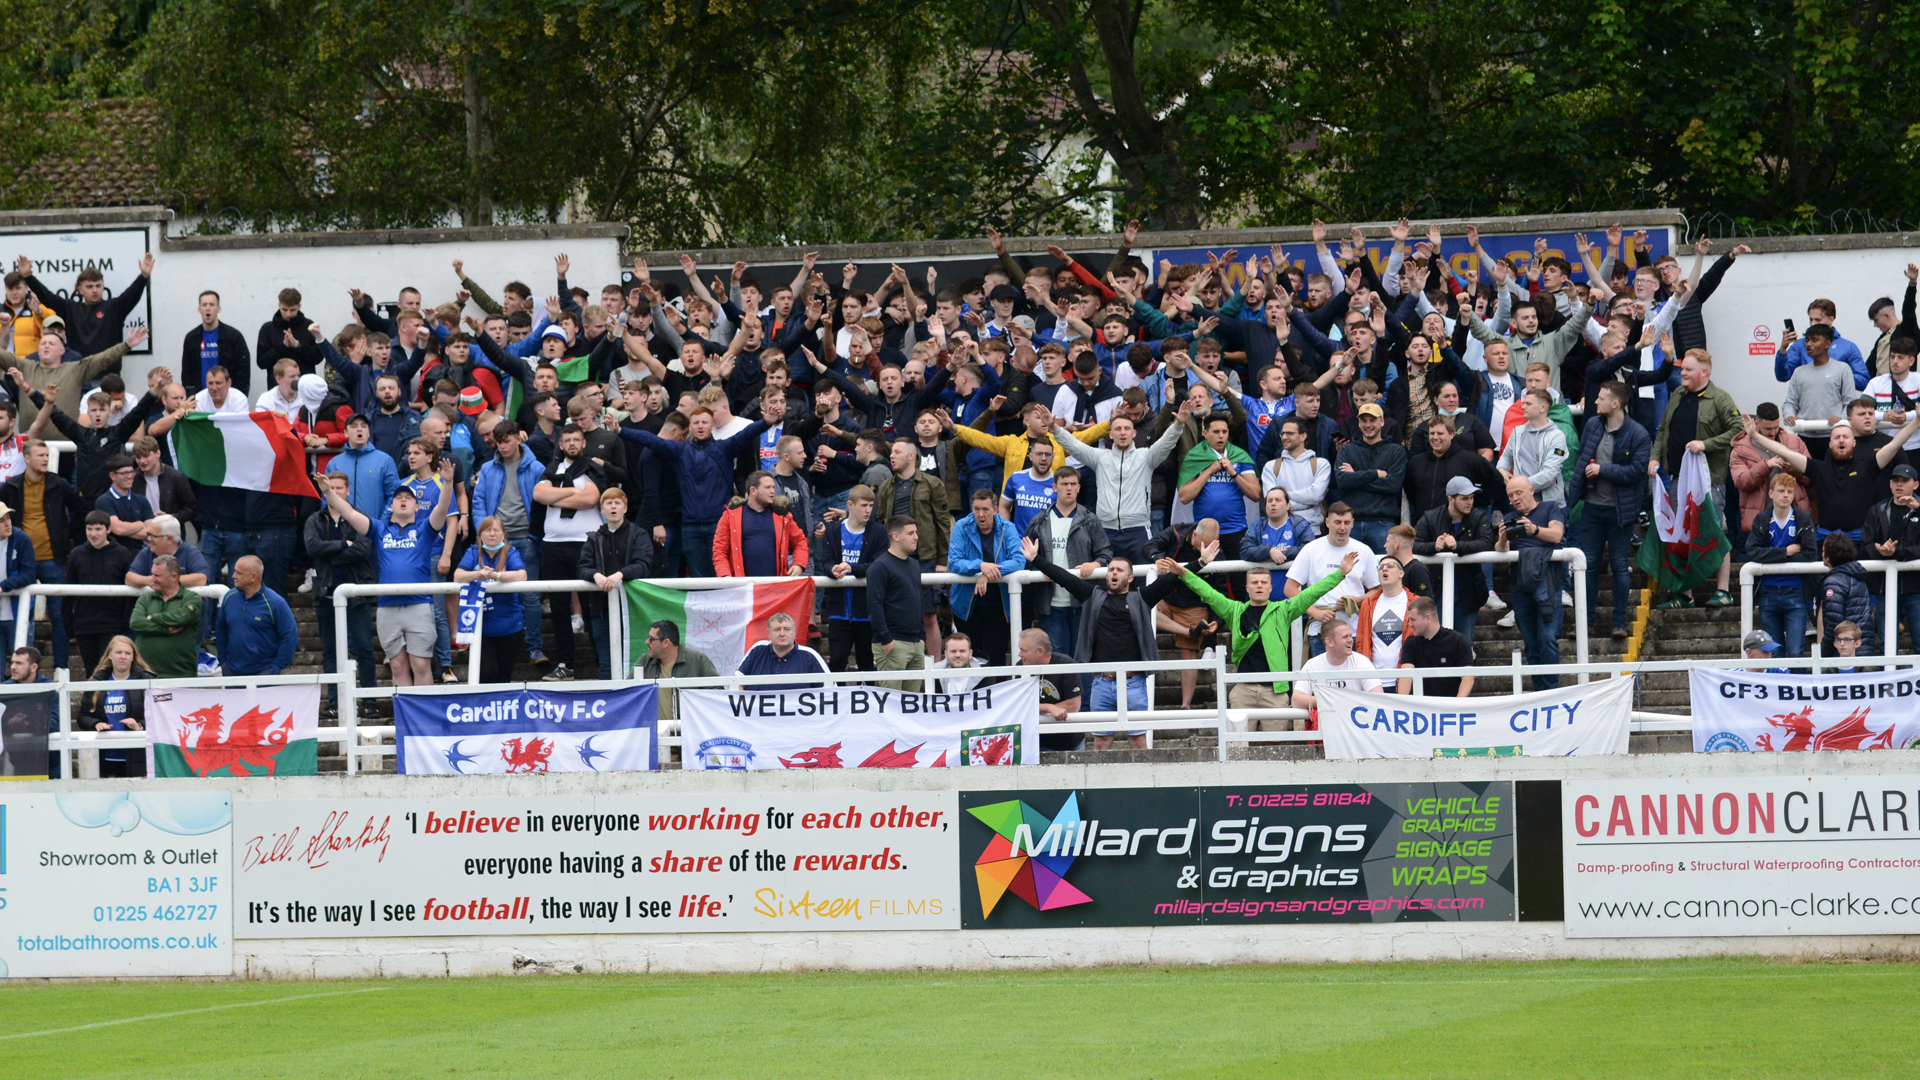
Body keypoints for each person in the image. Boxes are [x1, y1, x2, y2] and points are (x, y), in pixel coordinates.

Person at [1022, 538, 1189, 750]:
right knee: (1100, 743)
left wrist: (1200, 561)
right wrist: (1036, 559)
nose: (1114, 573)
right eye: (1110, 569)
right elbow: (1063, 577)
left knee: (1138, 742)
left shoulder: (1142, 597)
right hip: (1101, 683)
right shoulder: (1092, 596)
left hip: (1134, 683)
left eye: (1119, 570)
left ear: (1129, 578)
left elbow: (1172, 580)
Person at [1174, 547, 1360, 727]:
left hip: (1275, 691)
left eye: (1263, 582)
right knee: (1241, 749)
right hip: (1243, 689)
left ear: (1271, 588)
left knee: (1275, 747)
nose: (1259, 586)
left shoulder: (1283, 610)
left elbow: (1312, 593)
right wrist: (1184, 573)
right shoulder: (1234, 611)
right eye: (1255, 583)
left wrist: (1340, 574)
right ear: (1247, 588)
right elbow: (1208, 593)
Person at [313, 462, 455, 687]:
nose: (403, 499)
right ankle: (404, 719)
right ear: (391, 506)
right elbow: (348, 512)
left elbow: (442, 510)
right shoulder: (380, 529)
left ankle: (422, 720)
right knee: (398, 666)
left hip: (418, 605)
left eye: (408, 498)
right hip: (388, 607)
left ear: (417, 507)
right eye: (398, 497)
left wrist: (447, 482)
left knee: (420, 665)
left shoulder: (425, 530)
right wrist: (328, 491)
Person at [618, 404, 770, 577]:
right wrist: (621, 431)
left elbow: (747, 433)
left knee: (722, 577)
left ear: (713, 425)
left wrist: (765, 423)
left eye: (705, 422)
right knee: (698, 580)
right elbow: (650, 439)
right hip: (690, 527)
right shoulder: (681, 450)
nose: (700, 426)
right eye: (696, 422)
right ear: (689, 427)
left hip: (718, 525)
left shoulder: (724, 448)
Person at [1742, 407, 1920, 547]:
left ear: (1854, 443)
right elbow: (1784, 452)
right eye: (1837, 437)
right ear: (1830, 444)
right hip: (1825, 540)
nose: (1841, 440)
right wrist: (1754, 435)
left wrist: (1917, 420)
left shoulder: (1868, 466)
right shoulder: (1818, 468)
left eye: (1845, 437)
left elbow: (1895, 443)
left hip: (1860, 540)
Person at [1652, 350, 1742, 606]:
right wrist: (1655, 458)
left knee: (1713, 531)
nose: (1682, 373)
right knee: (1682, 534)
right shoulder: (1677, 395)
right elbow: (1662, 430)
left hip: (1708, 479)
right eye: (1682, 369)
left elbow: (1737, 430)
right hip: (1678, 478)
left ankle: (1723, 591)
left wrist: (1707, 444)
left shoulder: (1721, 399)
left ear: (1704, 372)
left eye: (1688, 370)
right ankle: (1685, 594)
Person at [1570, 380, 1652, 639]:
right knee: (1589, 566)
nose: (1595, 402)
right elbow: (1582, 459)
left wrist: (1603, 470)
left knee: (1619, 566)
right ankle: (1586, 624)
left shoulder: (1638, 433)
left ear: (1615, 404)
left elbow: (1638, 472)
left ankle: (1619, 624)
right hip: (1593, 508)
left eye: (1601, 398)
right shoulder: (1593, 425)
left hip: (1620, 511)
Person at [1050, 407, 1186, 562]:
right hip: (1105, 530)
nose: (1122, 433)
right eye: (1118, 429)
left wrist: (1178, 425)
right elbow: (1074, 446)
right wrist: (1054, 428)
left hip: (1139, 529)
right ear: (1110, 434)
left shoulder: (1146, 457)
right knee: (1105, 582)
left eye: (1127, 429)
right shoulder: (1100, 458)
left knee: (1142, 581)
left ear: (1133, 433)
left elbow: (1165, 444)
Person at [0, 440, 87, 669]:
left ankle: (61, 667)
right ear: (27, 458)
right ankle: (23, 668)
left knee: (59, 616)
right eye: (40, 455)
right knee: (22, 617)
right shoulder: (12, 487)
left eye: (47, 455)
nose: (46, 459)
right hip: (19, 561)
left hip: (53, 559)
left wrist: (67, 532)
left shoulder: (59, 484)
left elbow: (81, 506)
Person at [469, 421, 547, 666]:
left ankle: (535, 647)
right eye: (498, 442)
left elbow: (542, 504)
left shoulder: (536, 468)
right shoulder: (488, 469)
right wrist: (486, 532)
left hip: (526, 538)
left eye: (506, 441)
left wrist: (535, 534)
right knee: (492, 592)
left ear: (518, 439)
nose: (501, 446)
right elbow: (478, 502)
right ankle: (495, 646)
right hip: (495, 541)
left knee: (531, 596)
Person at [532, 425, 604, 681]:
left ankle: (602, 660)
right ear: (560, 445)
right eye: (567, 440)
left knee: (592, 603)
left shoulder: (593, 468)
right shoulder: (552, 470)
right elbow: (539, 493)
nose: (572, 443)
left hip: (585, 544)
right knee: (559, 607)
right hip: (552, 545)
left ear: (584, 443)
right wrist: (573, 491)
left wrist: (556, 497)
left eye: (577, 439)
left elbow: (590, 500)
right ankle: (565, 663)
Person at [304, 473, 375, 716]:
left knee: (365, 648)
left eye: (338, 487)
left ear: (347, 491)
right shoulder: (315, 519)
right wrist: (344, 545)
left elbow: (363, 550)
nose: (334, 491)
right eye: (329, 487)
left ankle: (370, 702)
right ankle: (335, 703)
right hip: (325, 594)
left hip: (356, 594)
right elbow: (312, 548)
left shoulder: (360, 518)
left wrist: (330, 555)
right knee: (331, 651)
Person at [1023, 466, 1110, 654]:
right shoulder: (1038, 522)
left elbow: (1106, 554)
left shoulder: (1090, 520)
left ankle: (1084, 686)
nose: (1068, 488)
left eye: (1073, 484)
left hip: (1082, 602)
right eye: (1064, 484)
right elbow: (1027, 560)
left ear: (1079, 487)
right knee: (1057, 657)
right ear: (1055, 487)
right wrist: (1039, 571)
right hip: (1050, 603)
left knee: (1083, 657)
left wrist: (1095, 564)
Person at [1495, 474, 1568, 691]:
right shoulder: (1509, 516)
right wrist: (1502, 539)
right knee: (1531, 642)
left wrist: (1533, 529)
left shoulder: (1549, 508)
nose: (1515, 498)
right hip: (1520, 583)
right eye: (1510, 495)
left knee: (1547, 638)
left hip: (1548, 580)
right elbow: (1501, 552)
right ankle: (1540, 692)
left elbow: (1557, 535)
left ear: (1531, 491)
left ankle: (1551, 690)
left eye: (1518, 493)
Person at [1284, 502, 1380, 658]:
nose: (1342, 528)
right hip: (1320, 630)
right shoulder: (1311, 549)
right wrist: (1314, 612)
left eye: (1347, 523)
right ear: (1327, 523)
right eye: (1337, 522)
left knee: (1353, 682)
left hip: (1355, 630)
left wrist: (1357, 600)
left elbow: (1377, 591)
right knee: (1323, 682)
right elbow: (1290, 588)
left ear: (1352, 524)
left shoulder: (1364, 551)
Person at [578, 488, 652, 679]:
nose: (613, 507)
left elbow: (644, 565)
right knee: (605, 662)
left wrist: (621, 574)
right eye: (609, 503)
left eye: (617, 503)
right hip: (601, 610)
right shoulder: (593, 538)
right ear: (601, 509)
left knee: (634, 661)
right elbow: (582, 567)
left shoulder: (639, 534)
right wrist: (595, 576)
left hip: (633, 610)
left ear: (625, 508)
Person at [947, 489, 1026, 666]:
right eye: (976, 509)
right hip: (967, 606)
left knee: (996, 658)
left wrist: (987, 574)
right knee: (968, 660)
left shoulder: (1008, 528)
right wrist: (980, 565)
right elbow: (954, 562)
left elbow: (1019, 561)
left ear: (996, 510)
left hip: (999, 605)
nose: (980, 515)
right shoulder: (961, 526)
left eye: (985, 509)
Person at [1747, 472, 1817, 660]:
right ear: (1771, 494)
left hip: (1795, 591)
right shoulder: (1762, 519)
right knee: (1774, 653)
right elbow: (1752, 551)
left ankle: (1798, 690)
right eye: (1781, 491)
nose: (1785, 495)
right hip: (1767, 592)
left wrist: (1771, 556)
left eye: (1789, 491)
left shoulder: (1802, 518)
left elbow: (1810, 554)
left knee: (1796, 652)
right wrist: (1785, 552)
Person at [456, 515, 531, 684]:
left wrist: (495, 575)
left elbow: (522, 575)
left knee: (504, 675)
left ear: (504, 534)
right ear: (480, 534)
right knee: (487, 672)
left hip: (510, 624)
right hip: (481, 626)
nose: (492, 534)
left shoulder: (510, 552)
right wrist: (477, 574)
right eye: (487, 530)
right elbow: (457, 575)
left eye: (496, 530)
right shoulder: (473, 551)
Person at [65, 511, 133, 674]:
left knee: (109, 670)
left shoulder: (122, 553)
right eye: (89, 529)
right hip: (84, 625)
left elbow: (130, 592)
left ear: (108, 530)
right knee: (92, 672)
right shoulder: (77, 554)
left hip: (112, 624)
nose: (93, 534)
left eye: (98, 529)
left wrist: (124, 622)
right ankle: (93, 700)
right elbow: (68, 591)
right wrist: (69, 624)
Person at [863, 516, 927, 690]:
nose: (916, 537)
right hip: (893, 643)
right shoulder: (879, 567)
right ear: (896, 536)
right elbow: (874, 605)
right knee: (891, 703)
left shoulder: (914, 565)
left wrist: (921, 637)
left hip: (914, 642)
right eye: (911, 533)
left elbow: (919, 601)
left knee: (912, 704)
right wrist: (886, 638)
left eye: (916, 532)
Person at [1334, 403, 1408, 551]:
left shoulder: (1396, 451)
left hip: (1382, 523)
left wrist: (1355, 477)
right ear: (1359, 423)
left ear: (1381, 421)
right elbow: (1342, 481)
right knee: (1349, 573)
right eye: (1364, 420)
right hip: (1351, 523)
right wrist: (1375, 474)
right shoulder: (1347, 450)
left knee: (1384, 570)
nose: (1368, 425)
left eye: (1372, 420)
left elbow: (1393, 485)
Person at [714, 471, 809, 578]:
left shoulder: (783, 516)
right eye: (767, 487)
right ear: (753, 490)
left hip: (775, 587)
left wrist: (799, 564)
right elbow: (719, 550)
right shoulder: (730, 516)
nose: (773, 491)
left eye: (773, 487)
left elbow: (800, 541)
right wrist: (725, 575)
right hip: (742, 588)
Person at [215, 555, 297, 677]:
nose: (233, 576)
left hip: (264, 673)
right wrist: (223, 661)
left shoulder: (275, 603)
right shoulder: (229, 597)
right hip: (232, 672)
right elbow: (220, 628)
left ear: (254, 576)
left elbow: (290, 636)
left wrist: (276, 667)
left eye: (238, 573)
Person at [82, 635, 151, 778]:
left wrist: (139, 725)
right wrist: (95, 724)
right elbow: (82, 716)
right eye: (119, 652)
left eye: (128, 653)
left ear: (133, 657)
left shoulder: (147, 680)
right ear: (109, 656)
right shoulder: (96, 682)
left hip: (138, 755)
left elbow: (160, 716)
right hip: (106, 755)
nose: (123, 657)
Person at [129, 554, 203, 679]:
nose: (152, 579)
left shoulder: (192, 598)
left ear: (174, 577)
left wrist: (153, 617)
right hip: (145, 674)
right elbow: (135, 622)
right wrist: (165, 629)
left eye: (157, 575)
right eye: (152, 574)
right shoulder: (145, 599)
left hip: (180, 675)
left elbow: (182, 618)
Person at [1291, 619, 1382, 714]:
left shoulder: (1361, 661)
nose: (1350, 640)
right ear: (1329, 642)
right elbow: (1296, 701)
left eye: (1350, 636)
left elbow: (1378, 697)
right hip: (1327, 726)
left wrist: (1337, 701)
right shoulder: (1313, 664)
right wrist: (1332, 701)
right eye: (1345, 637)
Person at [1018, 628, 1085, 752]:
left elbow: (1073, 705)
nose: (1019, 654)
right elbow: (1021, 705)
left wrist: (1038, 708)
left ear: (1040, 651)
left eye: (1023, 650)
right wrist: (1048, 707)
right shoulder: (1020, 667)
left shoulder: (1065, 665)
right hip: (1035, 743)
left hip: (1070, 743)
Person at [1354, 555, 1414, 688]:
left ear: (1401, 573)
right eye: (1380, 567)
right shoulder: (1368, 604)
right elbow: (1361, 640)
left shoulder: (1414, 602)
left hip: (1404, 681)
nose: (1384, 569)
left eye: (1390, 566)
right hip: (1374, 683)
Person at [1397, 596, 1476, 697]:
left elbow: (1468, 678)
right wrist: (1403, 704)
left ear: (1428, 618)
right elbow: (1406, 677)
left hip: (1449, 707)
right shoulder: (1411, 643)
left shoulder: (1458, 641)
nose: (1410, 624)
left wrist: (1457, 705)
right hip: (1420, 709)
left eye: (1413, 620)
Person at [641, 620, 718, 721]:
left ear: (666, 643)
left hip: (689, 732)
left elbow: (717, 695)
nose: (647, 642)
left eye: (651, 639)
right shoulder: (645, 662)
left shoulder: (698, 661)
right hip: (654, 734)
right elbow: (628, 691)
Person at [1816, 533, 1878, 655]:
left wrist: (1825, 653)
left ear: (1828, 557)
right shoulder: (1859, 578)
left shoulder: (1834, 583)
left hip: (1844, 652)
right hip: (1864, 647)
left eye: (1823, 551)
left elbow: (1834, 624)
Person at [735, 612, 828, 690]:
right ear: (769, 633)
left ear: (795, 633)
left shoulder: (810, 656)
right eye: (777, 630)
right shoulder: (757, 650)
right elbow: (736, 682)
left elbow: (830, 688)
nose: (782, 634)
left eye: (787, 629)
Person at [1240, 486, 1314, 564]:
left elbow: (1310, 549)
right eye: (1269, 501)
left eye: (1278, 500)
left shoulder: (1300, 525)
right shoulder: (1257, 526)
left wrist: (1279, 555)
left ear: (1287, 505)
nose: (1273, 503)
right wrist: (1268, 551)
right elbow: (1245, 551)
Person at [0, 502, 32, 654]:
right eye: (1, 520)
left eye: (8, 518)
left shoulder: (22, 539)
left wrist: (4, 585)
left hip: (17, 611)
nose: (8, 523)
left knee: (22, 666)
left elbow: (29, 574)